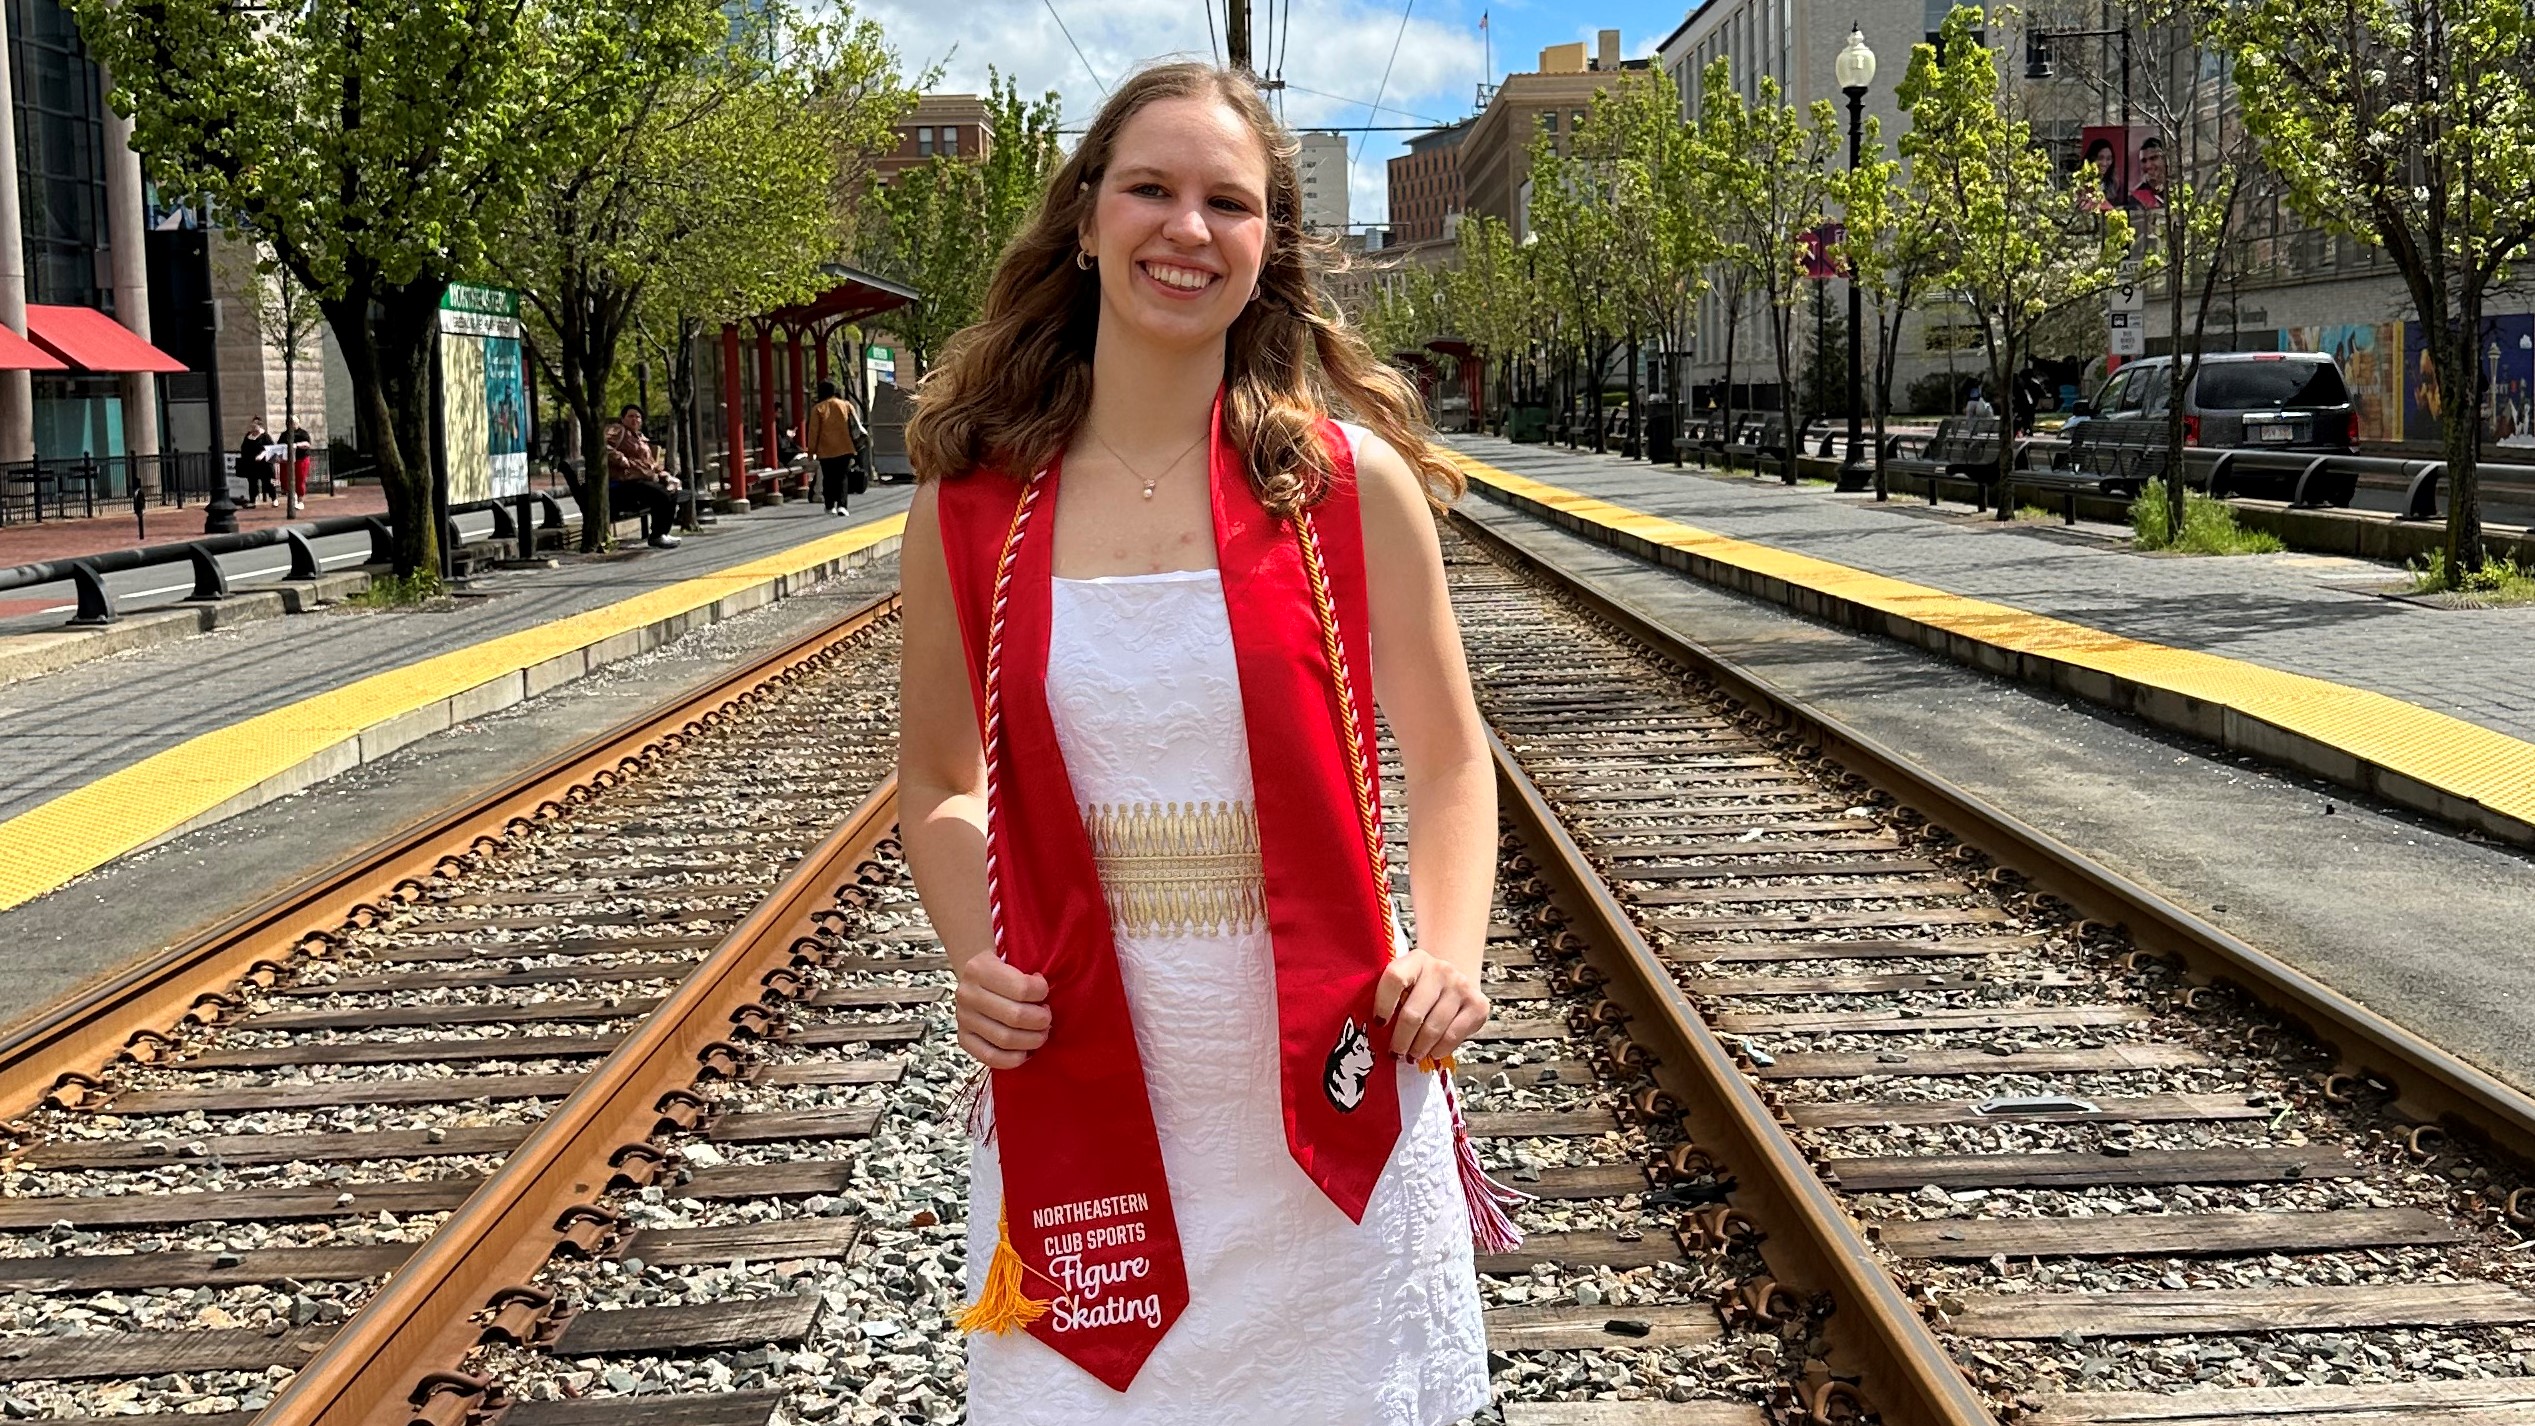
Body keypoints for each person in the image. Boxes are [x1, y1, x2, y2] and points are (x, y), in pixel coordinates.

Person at [897, 63, 1500, 1426]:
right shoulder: (971, 503)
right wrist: (972, 953)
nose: (1186, 228)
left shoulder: (1343, 488)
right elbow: (938, 779)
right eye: (1150, 189)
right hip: (1084, 1080)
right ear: (1085, 218)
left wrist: (1448, 959)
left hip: (1321, 1087)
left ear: (1267, 246)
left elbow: (1452, 757)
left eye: (1227, 202)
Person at [604, 404, 682, 549]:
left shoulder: (641, 439)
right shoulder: (618, 430)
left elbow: (652, 465)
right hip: (625, 483)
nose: (635, 419)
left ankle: (662, 533)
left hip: (642, 480)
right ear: (623, 418)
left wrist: (666, 476)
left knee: (672, 492)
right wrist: (621, 459)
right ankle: (657, 536)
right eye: (631, 416)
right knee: (661, 495)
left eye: (638, 417)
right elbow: (604, 446)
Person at [803, 378, 862, 515]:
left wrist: (811, 451)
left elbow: (813, 432)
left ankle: (830, 505)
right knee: (842, 477)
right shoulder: (846, 405)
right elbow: (855, 425)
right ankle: (843, 505)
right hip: (845, 447)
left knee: (828, 478)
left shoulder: (818, 408)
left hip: (826, 450)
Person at [236, 419, 272, 506]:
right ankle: (252, 501)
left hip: (263, 463)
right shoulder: (248, 436)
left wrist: (262, 455)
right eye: (252, 426)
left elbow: (270, 448)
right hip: (250, 463)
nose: (252, 428)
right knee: (252, 482)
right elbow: (244, 447)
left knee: (267, 481)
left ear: (259, 426)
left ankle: (273, 498)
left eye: (254, 426)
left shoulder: (265, 436)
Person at [286, 423, 313, 504]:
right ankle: (292, 497)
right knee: (288, 479)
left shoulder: (303, 433)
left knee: (300, 479)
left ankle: (300, 498)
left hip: (301, 459)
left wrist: (296, 445)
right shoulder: (285, 434)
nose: (292, 425)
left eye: (294, 423)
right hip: (288, 460)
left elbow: (307, 444)